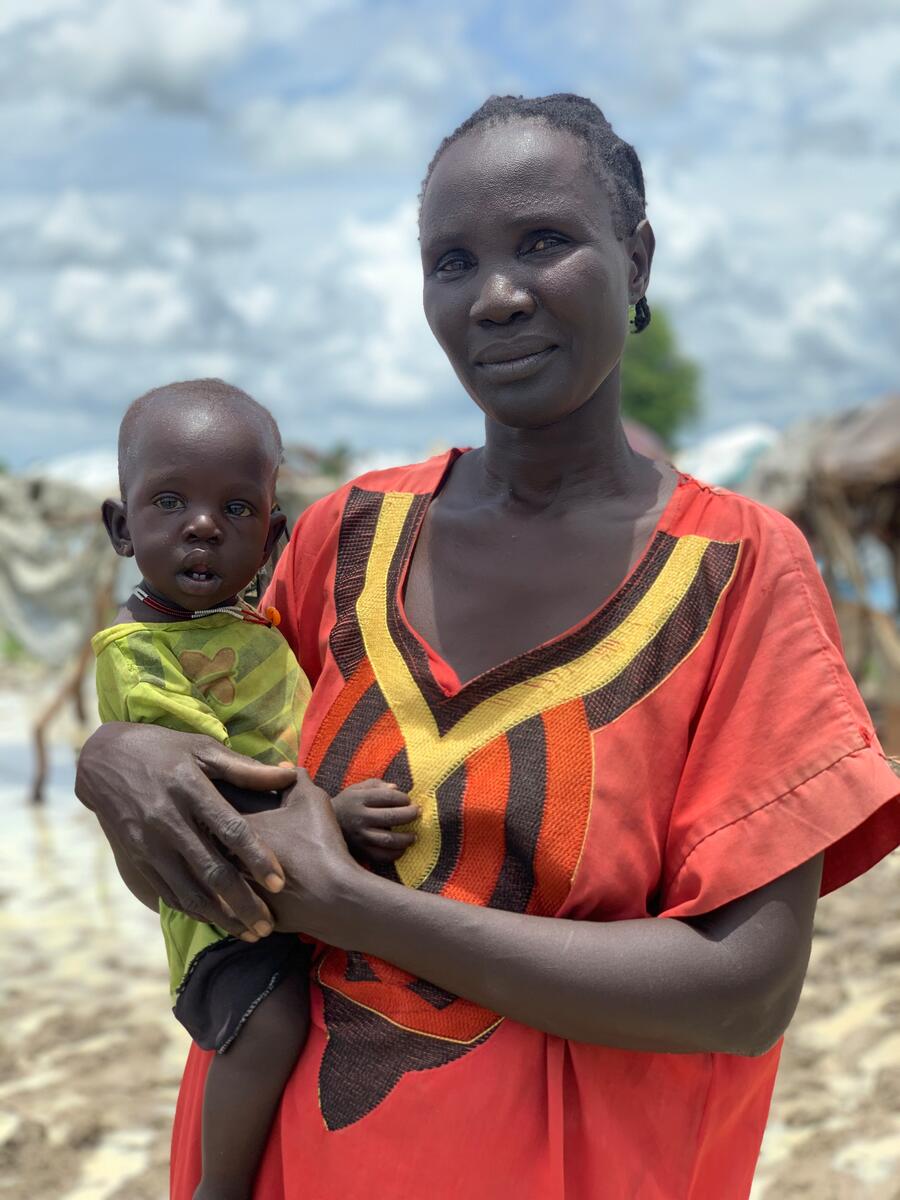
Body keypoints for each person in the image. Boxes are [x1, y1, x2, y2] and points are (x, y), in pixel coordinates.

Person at [77, 96, 900, 1200]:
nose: (498, 294)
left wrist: (349, 903)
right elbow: (200, 821)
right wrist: (114, 761)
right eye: (452, 260)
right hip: (296, 1166)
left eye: (545, 242)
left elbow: (741, 991)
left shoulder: (743, 571)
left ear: (637, 257)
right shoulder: (343, 538)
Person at [93, 378, 418, 1200]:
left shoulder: (250, 625)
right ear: (122, 528)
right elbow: (210, 791)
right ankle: (221, 1185)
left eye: (237, 511)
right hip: (224, 899)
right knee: (266, 1025)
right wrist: (333, 816)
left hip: (294, 887)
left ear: (272, 539)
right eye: (170, 502)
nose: (204, 526)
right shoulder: (140, 655)